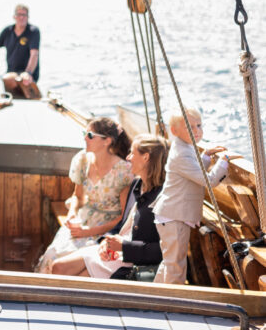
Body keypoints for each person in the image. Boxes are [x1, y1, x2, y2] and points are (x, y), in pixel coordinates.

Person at [49, 134, 167, 278]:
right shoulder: (137, 185)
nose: (128, 158)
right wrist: (106, 240)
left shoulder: (163, 198)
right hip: (116, 251)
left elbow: (164, 250)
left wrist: (124, 247)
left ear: (146, 157)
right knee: (57, 267)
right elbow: (122, 224)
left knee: (79, 279)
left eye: (132, 153)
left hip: (131, 262)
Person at [36, 117, 133, 273]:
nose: (84, 138)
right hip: (83, 218)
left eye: (90, 135)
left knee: (70, 261)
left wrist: (87, 232)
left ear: (107, 141)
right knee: (51, 255)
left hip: (107, 228)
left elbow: (123, 217)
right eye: (85, 134)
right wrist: (71, 214)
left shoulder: (124, 171)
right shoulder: (82, 160)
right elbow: (78, 196)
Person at [154, 109, 228, 285]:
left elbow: (194, 170)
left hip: (170, 215)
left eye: (199, 125)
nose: (196, 131)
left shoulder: (184, 147)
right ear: (174, 131)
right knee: (176, 267)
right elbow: (209, 180)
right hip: (174, 217)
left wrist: (206, 157)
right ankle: (173, 299)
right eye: (190, 127)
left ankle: (156, 294)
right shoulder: (182, 153)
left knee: (170, 262)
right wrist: (224, 161)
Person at [0, 4, 41, 99]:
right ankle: (14, 99)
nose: (21, 17)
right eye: (19, 15)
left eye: (24, 15)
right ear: (14, 16)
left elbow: (34, 54)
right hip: (12, 72)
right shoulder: (7, 31)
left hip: (29, 74)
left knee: (24, 80)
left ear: (28, 17)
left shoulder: (33, 31)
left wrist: (28, 73)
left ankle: (33, 97)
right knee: (8, 78)